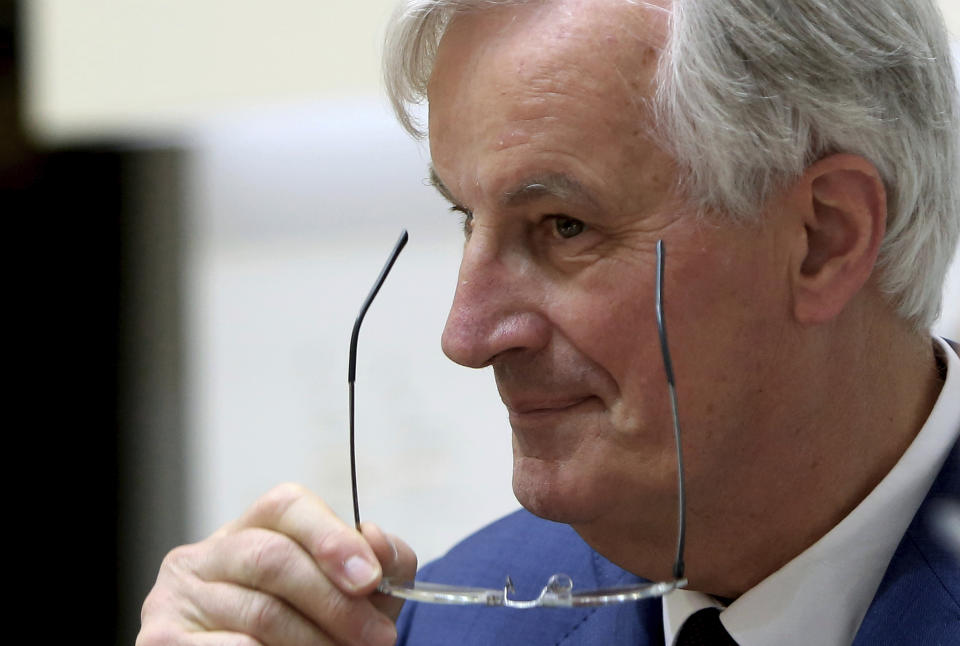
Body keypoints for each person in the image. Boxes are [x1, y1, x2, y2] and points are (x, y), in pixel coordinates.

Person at [137, 0, 960, 644]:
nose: (464, 336)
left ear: (825, 238)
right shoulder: (447, 630)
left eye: (563, 227)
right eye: (466, 219)